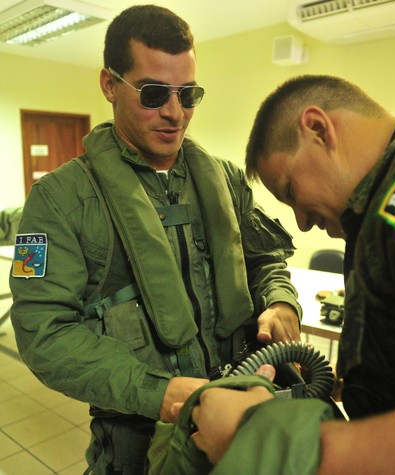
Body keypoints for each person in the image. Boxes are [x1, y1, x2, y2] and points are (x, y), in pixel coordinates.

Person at [8, 5, 301, 474]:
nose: (174, 112)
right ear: (109, 85)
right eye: (153, 93)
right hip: (136, 454)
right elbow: (43, 332)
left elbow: (266, 260)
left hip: (241, 436)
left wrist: (281, 303)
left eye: (188, 94)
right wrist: (160, 393)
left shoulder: (224, 180)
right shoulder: (58, 200)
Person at [186, 75, 395, 474]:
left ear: (318, 130)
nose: (302, 223)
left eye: (290, 191)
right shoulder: (390, 205)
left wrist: (253, 434)